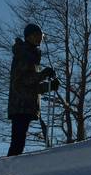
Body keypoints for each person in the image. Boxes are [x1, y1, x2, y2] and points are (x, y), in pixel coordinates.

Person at [7, 23, 58, 156]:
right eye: (36, 35)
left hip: (25, 104)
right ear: (28, 37)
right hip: (21, 104)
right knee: (18, 142)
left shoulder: (31, 54)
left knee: (19, 142)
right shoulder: (25, 53)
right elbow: (24, 80)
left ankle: (10, 168)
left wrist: (48, 86)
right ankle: (7, 169)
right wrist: (43, 74)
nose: (40, 38)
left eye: (41, 36)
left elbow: (30, 86)